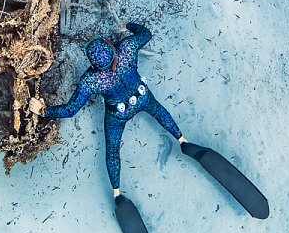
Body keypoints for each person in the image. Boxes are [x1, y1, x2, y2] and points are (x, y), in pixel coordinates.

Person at [29, 22, 185, 197]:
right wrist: (128, 25)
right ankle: (182, 140)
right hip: (142, 96)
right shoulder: (127, 48)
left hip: (118, 114)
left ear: (93, 65)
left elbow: (70, 110)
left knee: (112, 150)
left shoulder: (91, 80)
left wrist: (43, 110)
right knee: (159, 112)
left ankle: (117, 193)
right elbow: (147, 34)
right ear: (112, 47)